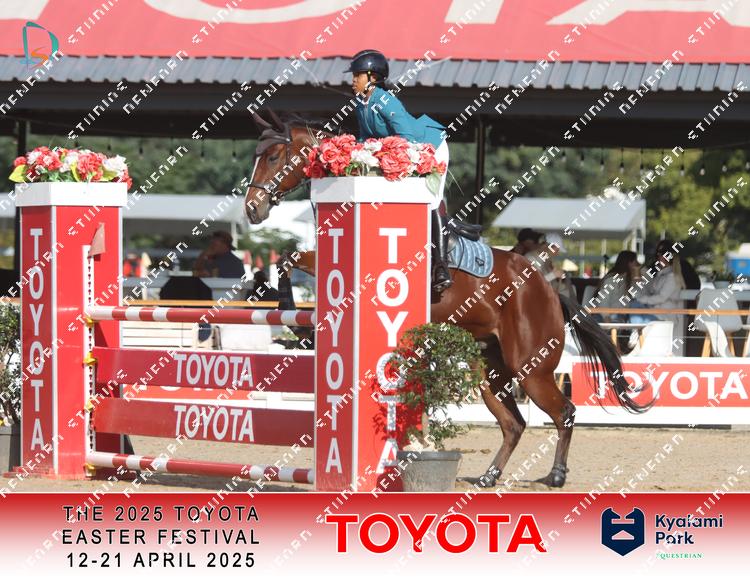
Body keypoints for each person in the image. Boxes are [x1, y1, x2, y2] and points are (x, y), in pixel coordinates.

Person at [346, 49, 450, 292]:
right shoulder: (361, 104)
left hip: (429, 148)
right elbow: (366, 137)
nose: (353, 80)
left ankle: (441, 265)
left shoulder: (386, 101)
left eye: (357, 75)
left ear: (372, 77)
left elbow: (408, 137)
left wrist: (383, 154)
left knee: (432, 200)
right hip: (404, 150)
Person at [631, 239, 686, 332]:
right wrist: (640, 281)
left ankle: (636, 334)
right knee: (633, 306)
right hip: (655, 313)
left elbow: (661, 297)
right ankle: (636, 334)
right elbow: (649, 291)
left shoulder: (672, 276)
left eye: (662, 253)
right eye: (657, 253)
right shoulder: (661, 275)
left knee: (635, 307)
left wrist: (641, 299)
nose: (658, 256)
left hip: (664, 316)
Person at [594, 250, 641, 323]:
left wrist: (637, 281)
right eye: (636, 261)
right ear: (629, 263)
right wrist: (607, 318)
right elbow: (603, 301)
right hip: (609, 317)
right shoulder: (612, 279)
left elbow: (637, 297)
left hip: (621, 315)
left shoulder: (627, 279)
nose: (638, 264)